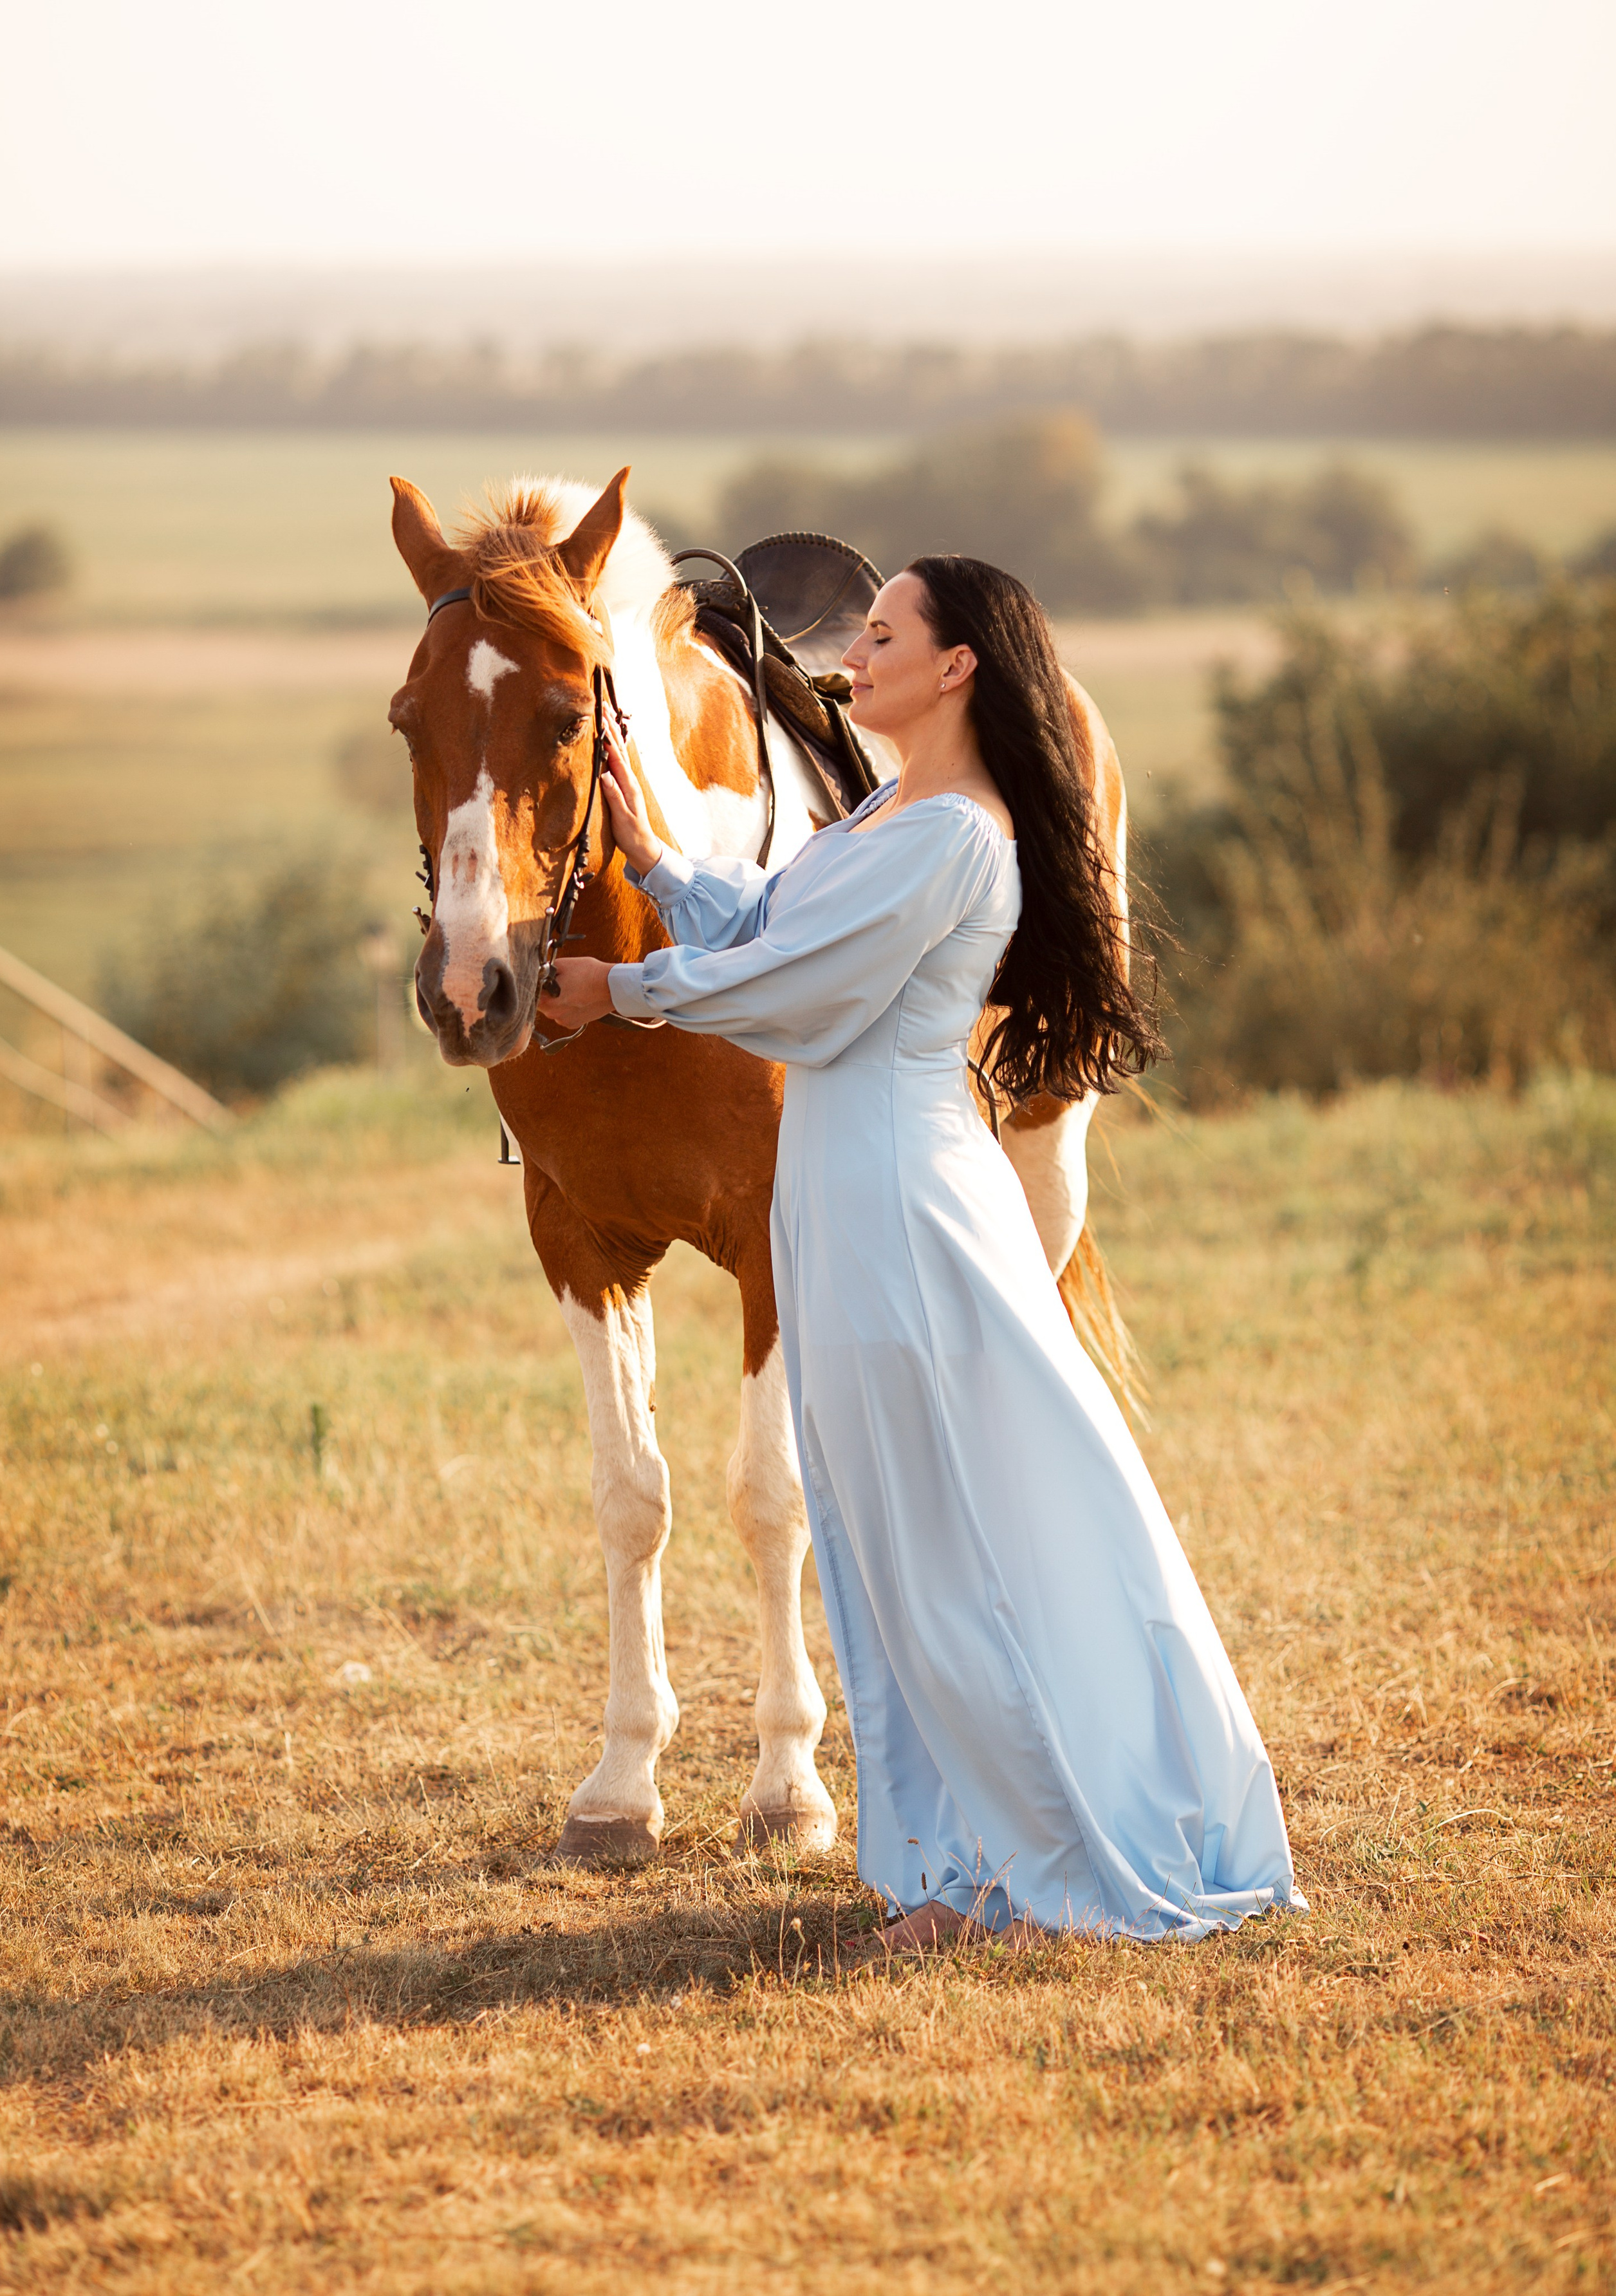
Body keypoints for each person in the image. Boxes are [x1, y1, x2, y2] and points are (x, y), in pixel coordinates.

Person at [545, 555, 1304, 1952]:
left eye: (885, 633)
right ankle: (952, 1871)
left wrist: (624, 989)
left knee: (946, 1550)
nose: (853, 651)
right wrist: (649, 859)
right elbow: (770, 923)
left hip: (902, 1202)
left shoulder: (956, 834)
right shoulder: (891, 813)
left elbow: (794, 988)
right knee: (888, 1553)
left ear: (956, 667)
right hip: (849, 1196)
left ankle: (1029, 1879)